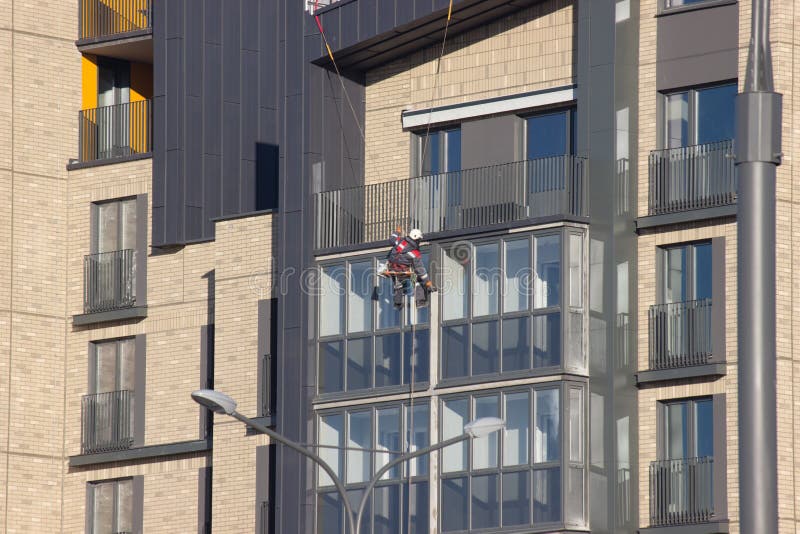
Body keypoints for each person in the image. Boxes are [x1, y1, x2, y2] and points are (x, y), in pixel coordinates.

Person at [387, 227, 435, 308]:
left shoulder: (400, 241)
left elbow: (392, 239)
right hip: (404, 271)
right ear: (416, 238)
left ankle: (397, 303)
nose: (420, 242)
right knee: (418, 279)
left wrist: (397, 231)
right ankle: (420, 301)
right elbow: (420, 269)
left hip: (392, 268)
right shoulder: (414, 253)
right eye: (419, 240)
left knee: (398, 283)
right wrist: (428, 283)